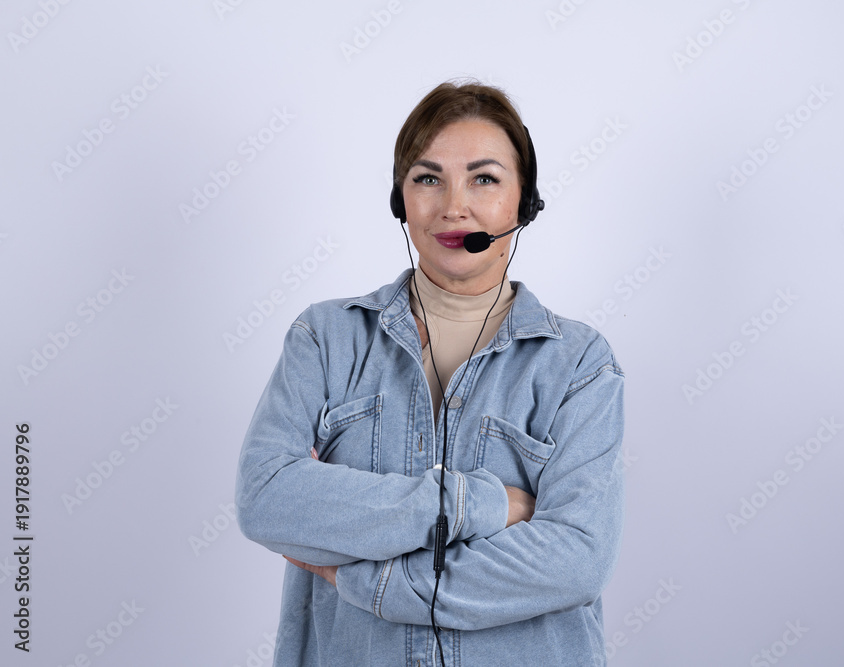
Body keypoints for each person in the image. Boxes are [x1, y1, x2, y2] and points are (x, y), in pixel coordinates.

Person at [236, 80, 625, 666]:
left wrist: (369, 579)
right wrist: (484, 506)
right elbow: (266, 498)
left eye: (484, 179)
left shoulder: (580, 364)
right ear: (400, 201)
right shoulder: (324, 338)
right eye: (427, 179)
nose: (453, 206)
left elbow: (576, 560)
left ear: (524, 203)